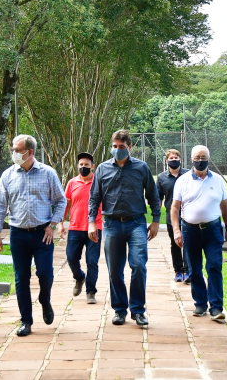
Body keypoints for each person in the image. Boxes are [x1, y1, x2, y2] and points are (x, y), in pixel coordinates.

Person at [0, 134, 67, 337]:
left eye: (17, 150)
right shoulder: (8, 175)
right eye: (14, 150)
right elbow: (0, 206)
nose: (14, 153)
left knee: (45, 273)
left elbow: (61, 200)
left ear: (30, 152)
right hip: (18, 234)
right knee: (21, 278)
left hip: (43, 234)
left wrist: (52, 224)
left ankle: (45, 299)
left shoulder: (48, 173)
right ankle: (26, 320)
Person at [88, 129, 159, 327]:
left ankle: (138, 310)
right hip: (111, 224)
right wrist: (91, 222)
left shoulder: (141, 168)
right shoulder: (102, 169)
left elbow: (153, 195)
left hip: (136, 223)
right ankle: (119, 309)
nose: (117, 150)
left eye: (121, 147)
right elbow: (94, 197)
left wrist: (155, 220)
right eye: (114, 146)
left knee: (138, 265)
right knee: (114, 270)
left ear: (130, 147)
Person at [172, 145, 227, 321]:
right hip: (190, 231)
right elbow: (175, 208)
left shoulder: (218, 180)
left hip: (213, 230)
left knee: (214, 266)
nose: (200, 161)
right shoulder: (182, 181)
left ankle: (216, 307)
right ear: (191, 160)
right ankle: (200, 303)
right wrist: (177, 230)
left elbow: (225, 206)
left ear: (208, 158)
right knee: (195, 269)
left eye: (203, 157)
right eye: (197, 158)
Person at [59, 152, 103, 304]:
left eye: (87, 165)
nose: (84, 167)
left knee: (92, 261)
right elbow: (65, 205)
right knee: (71, 257)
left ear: (93, 166)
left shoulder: (99, 182)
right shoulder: (72, 183)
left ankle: (91, 291)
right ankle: (79, 278)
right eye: (81, 165)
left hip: (95, 228)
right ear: (77, 166)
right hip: (75, 228)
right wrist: (60, 223)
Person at [156, 149, 189, 283]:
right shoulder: (162, 177)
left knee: (188, 243)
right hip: (171, 216)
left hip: (188, 215)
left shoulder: (188, 175)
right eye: (171, 158)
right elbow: (158, 198)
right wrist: (156, 218)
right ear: (167, 161)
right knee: (175, 243)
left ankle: (187, 271)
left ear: (180, 160)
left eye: (176, 158)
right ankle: (178, 270)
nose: (173, 160)